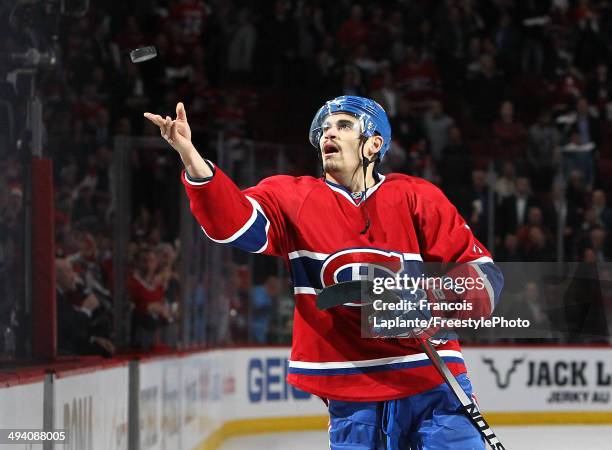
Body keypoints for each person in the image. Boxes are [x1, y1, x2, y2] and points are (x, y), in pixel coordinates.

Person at [144, 96, 504, 449]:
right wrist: (191, 157)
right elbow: (234, 225)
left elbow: (485, 279)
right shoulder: (290, 196)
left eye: (344, 126)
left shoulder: (416, 196)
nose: (329, 134)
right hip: (351, 385)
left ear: (373, 144)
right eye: (325, 128)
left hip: (430, 374)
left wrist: (430, 298)